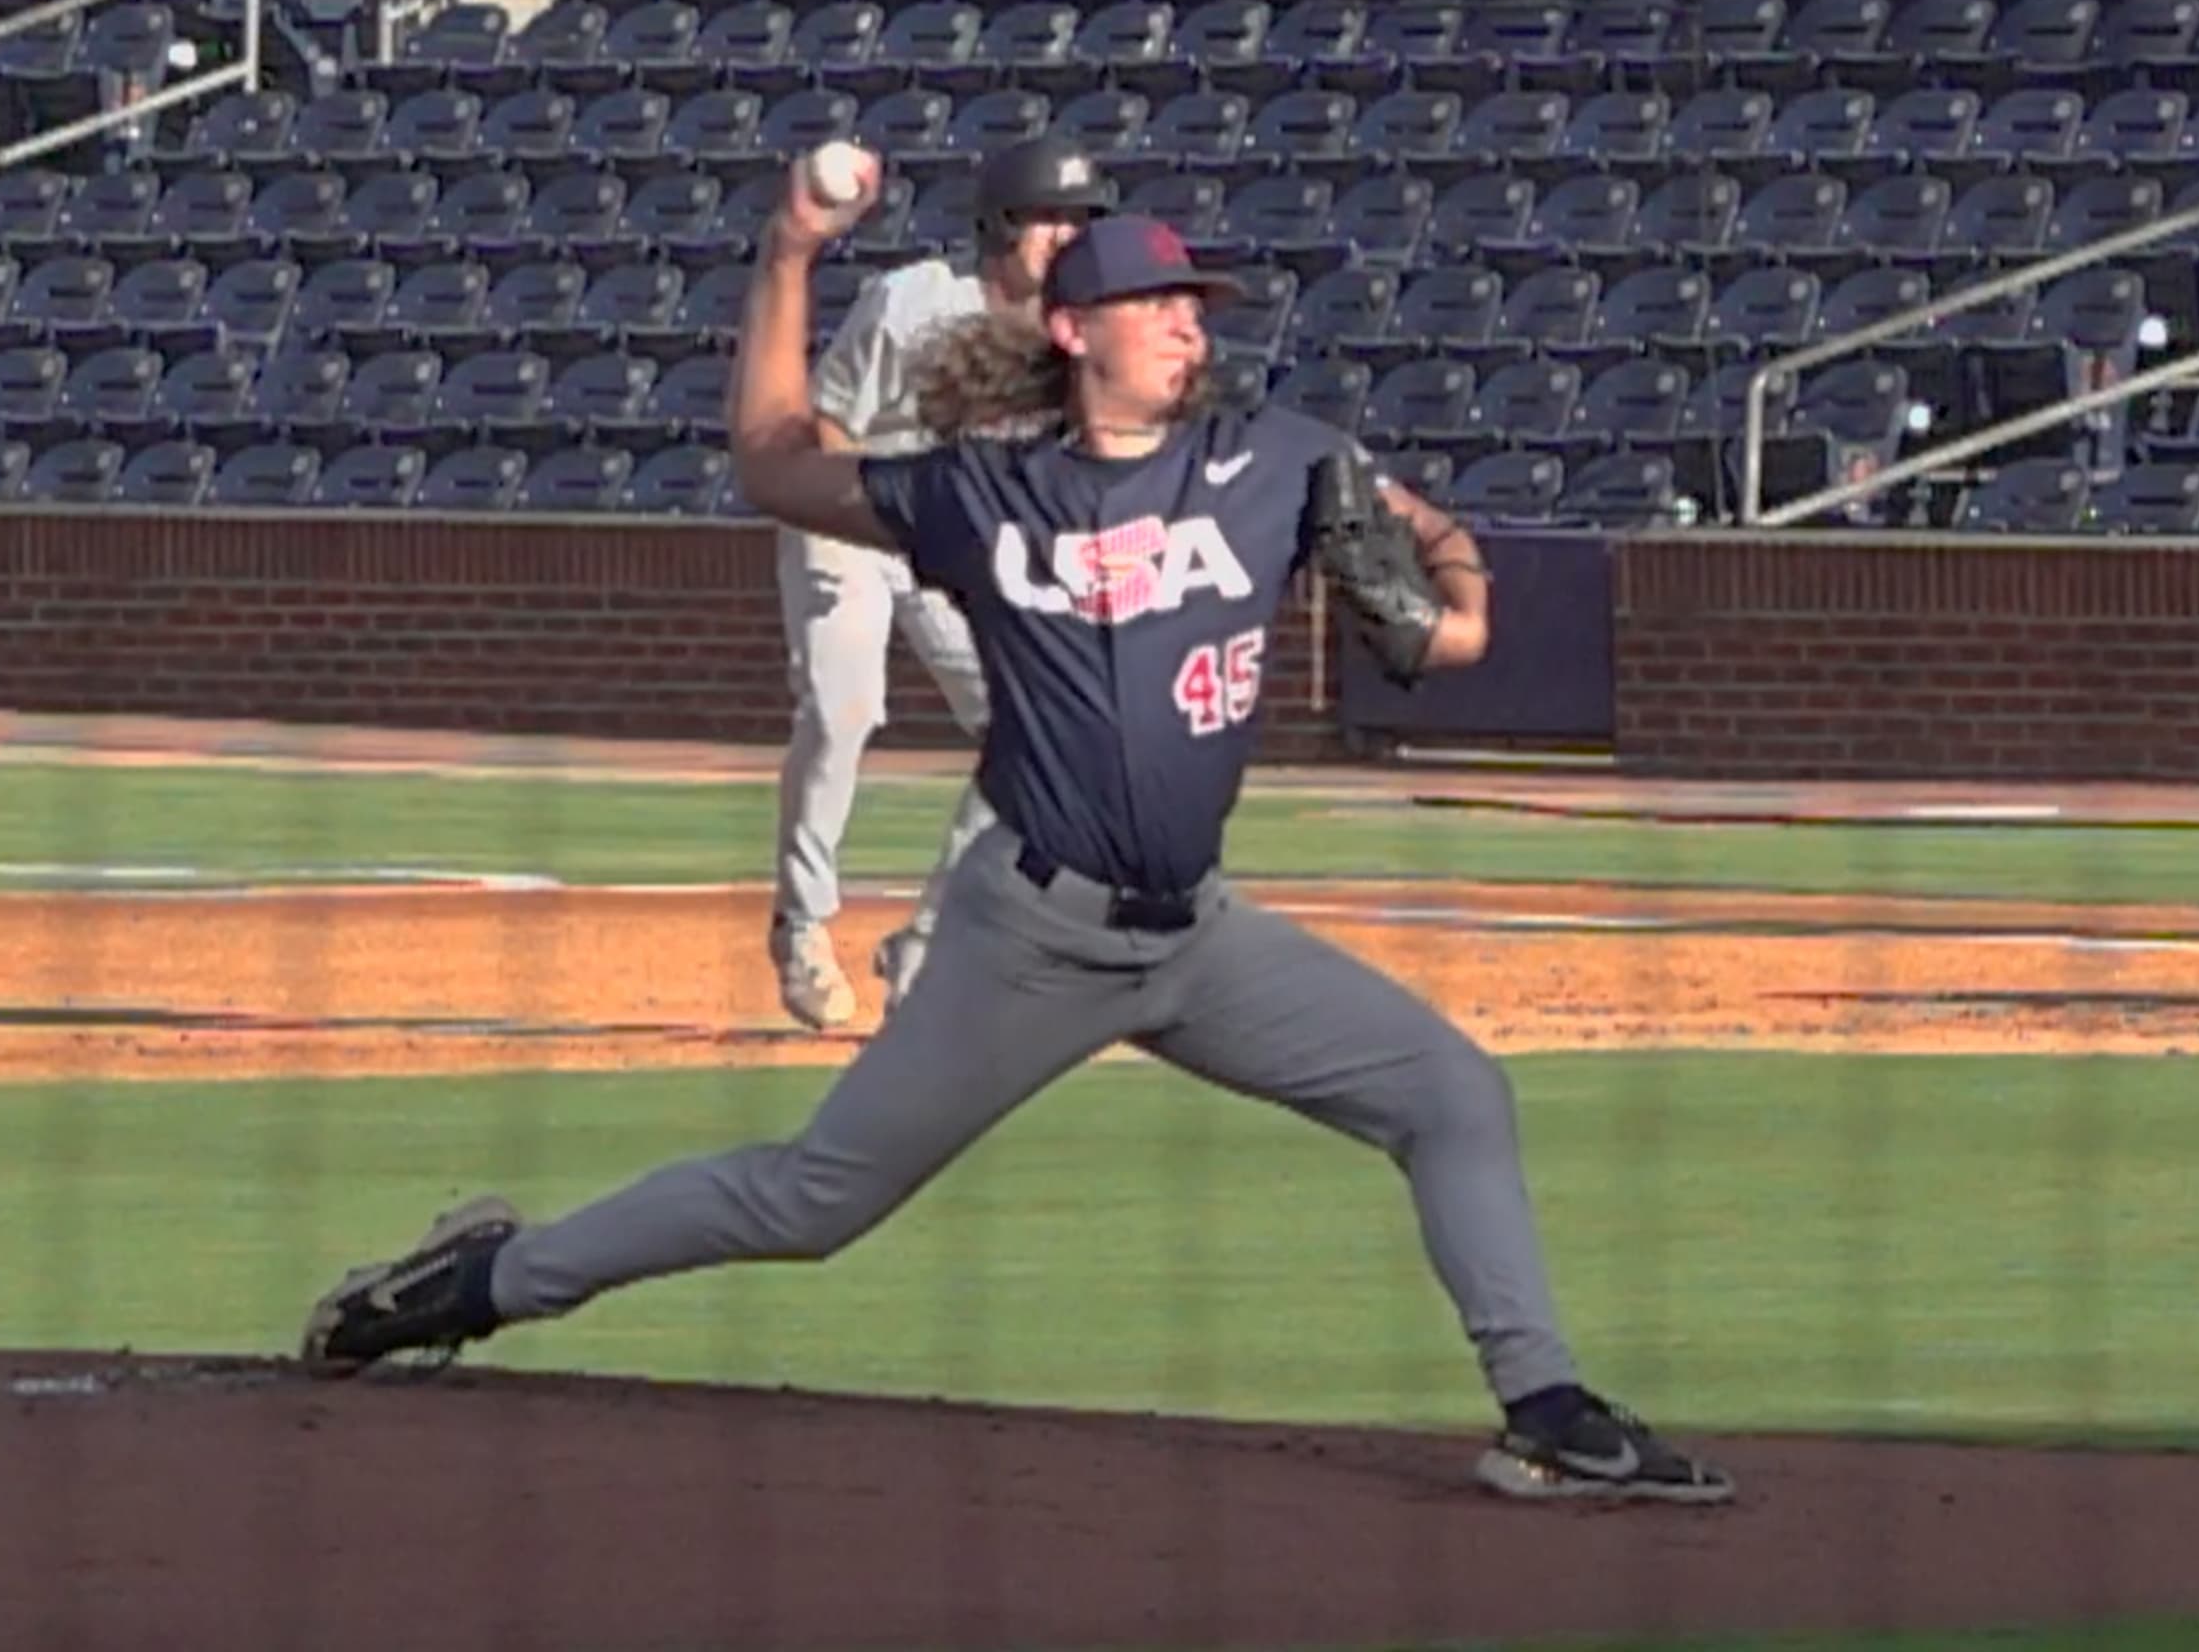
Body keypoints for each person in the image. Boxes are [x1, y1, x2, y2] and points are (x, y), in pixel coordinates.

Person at [302, 153, 1736, 1508]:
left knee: (1452, 1096)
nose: (1187, 323)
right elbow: (769, 460)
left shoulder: (1276, 463)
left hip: (1202, 938)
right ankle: (485, 1281)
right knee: (812, 1200)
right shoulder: (987, 495)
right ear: (1070, 332)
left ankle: (1546, 1412)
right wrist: (790, 255)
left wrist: (1442, 582)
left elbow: (1449, 592)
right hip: (1031, 939)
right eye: (1152, 303)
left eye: (1194, 303)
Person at [767, 133, 1114, 1031]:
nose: (1068, 235)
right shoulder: (915, 299)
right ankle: (802, 927)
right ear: (1002, 225)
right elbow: (829, 423)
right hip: (848, 510)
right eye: (1050, 217)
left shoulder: (1069, 337)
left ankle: (923, 943)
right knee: (845, 711)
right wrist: (863, 526)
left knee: (1027, 732)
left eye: (1080, 218)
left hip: (951, 536)